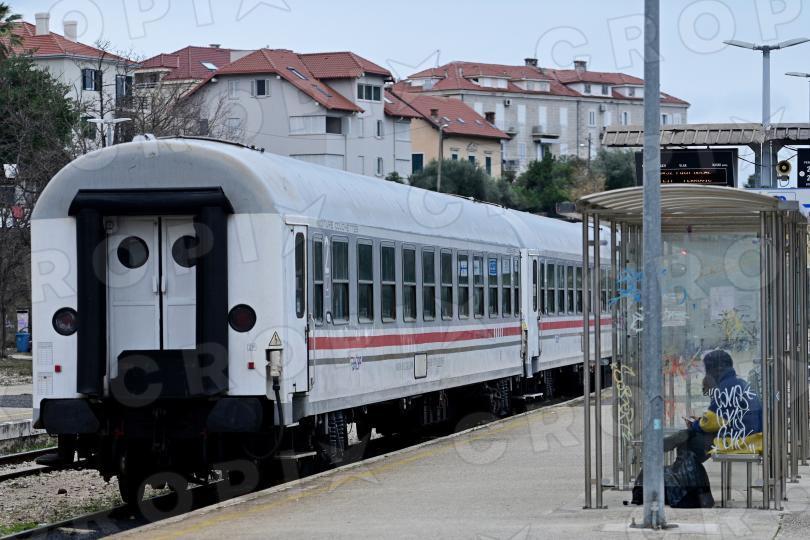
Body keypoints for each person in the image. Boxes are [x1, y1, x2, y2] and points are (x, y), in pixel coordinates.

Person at [682, 350, 763, 459]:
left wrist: (695, 425)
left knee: (692, 442)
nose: (707, 374)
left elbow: (710, 422)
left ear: (717, 369)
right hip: (753, 439)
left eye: (708, 370)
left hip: (741, 442)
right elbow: (722, 416)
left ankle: (688, 469)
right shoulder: (737, 383)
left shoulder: (726, 387)